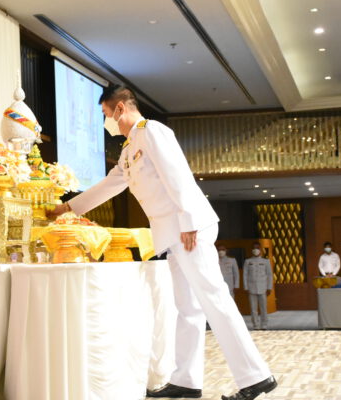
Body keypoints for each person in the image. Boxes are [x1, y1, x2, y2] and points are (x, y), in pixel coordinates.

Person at [47, 86, 276, 400]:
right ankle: (186, 380)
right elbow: (110, 185)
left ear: (119, 109)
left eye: (105, 114)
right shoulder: (129, 149)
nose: (106, 123)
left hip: (189, 229)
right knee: (188, 308)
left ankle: (256, 377)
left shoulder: (152, 131)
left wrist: (189, 220)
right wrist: (67, 208)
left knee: (214, 299)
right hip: (172, 234)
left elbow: (177, 173)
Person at [243, 243, 273, 330]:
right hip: (251, 287)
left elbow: (269, 275)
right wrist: (246, 287)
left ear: (260, 249)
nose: (255, 250)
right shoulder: (248, 261)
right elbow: (245, 275)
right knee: (253, 308)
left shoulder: (265, 261)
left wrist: (269, 287)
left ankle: (264, 324)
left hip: (263, 287)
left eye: (257, 248)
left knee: (263, 308)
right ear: (251, 250)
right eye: (254, 248)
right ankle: (255, 325)